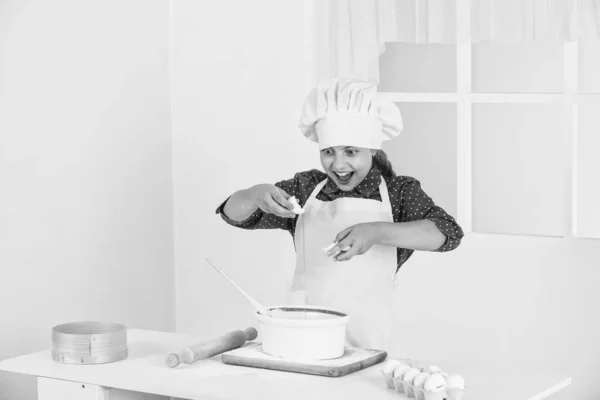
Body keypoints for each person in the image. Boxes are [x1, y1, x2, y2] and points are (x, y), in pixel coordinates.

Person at [215, 78, 464, 352]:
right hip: (305, 333)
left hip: (370, 339)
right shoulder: (306, 188)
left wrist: (375, 231)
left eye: (351, 152)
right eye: (328, 152)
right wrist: (254, 194)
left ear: (372, 149)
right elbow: (233, 214)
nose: (338, 163)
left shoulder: (399, 192)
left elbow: (447, 234)